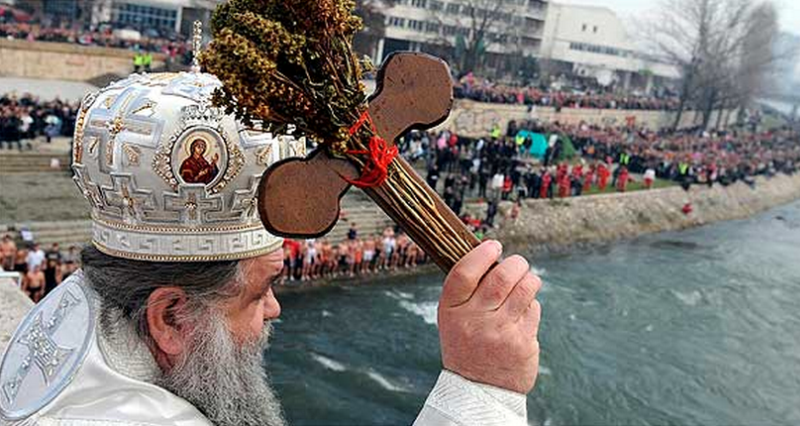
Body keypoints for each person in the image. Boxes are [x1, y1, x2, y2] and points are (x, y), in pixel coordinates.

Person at [0, 65, 542, 426]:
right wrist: (482, 386)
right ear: (168, 318)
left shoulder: (79, 314)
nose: (276, 308)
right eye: (259, 292)